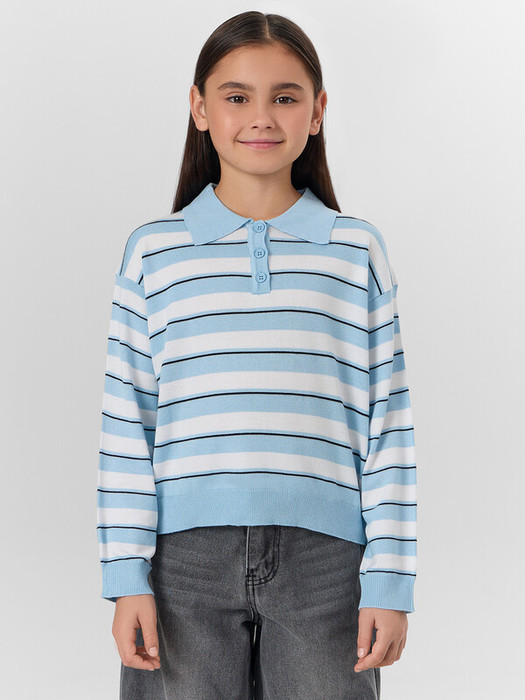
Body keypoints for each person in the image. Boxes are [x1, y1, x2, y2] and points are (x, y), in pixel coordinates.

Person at [96, 10, 417, 699]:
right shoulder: (153, 253)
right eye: (237, 96)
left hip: (327, 563)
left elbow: (388, 425)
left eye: (285, 97)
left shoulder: (356, 251)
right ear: (200, 108)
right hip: (182, 563)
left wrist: (390, 580)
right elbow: (126, 424)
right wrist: (125, 576)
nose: (261, 117)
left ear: (317, 111)